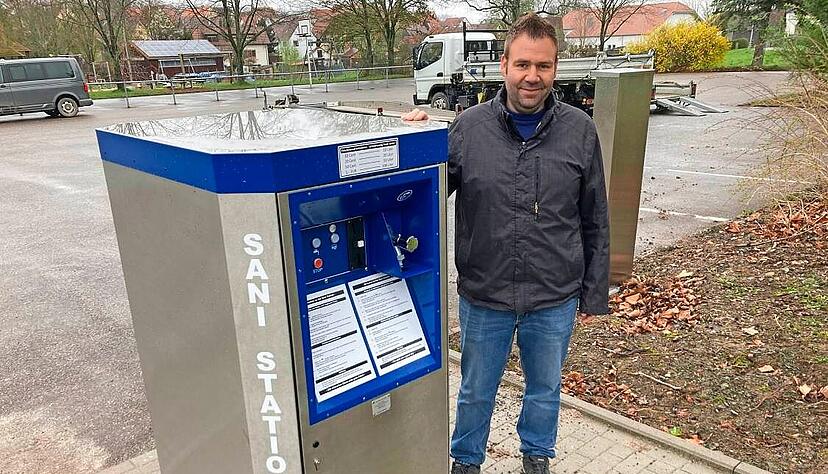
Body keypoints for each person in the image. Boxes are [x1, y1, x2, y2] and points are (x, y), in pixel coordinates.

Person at [403, 13, 610, 474]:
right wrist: (411, 142)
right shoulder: (467, 128)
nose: (531, 76)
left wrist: (594, 292)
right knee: (477, 388)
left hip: (553, 294)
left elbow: (594, 213)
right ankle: (466, 460)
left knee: (545, 388)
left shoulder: (579, 130)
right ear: (503, 66)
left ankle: (537, 456)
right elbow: (426, 192)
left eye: (543, 66)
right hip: (486, 291)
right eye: (522, 65)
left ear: (555, 69)